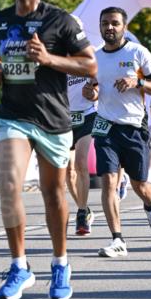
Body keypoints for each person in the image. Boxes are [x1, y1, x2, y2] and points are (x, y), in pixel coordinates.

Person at [0, 0, 97, 299]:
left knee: (53, 194)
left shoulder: (60, 21)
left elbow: (90, 64)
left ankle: (60, 263)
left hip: (52, 119)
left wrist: (49, 59)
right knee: (9, 185)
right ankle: (19, 266)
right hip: (13, 116)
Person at [81, 7, 151, 258]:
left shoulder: (137, 52)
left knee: (141, 186)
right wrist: (90, 93)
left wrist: (137, 82)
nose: (110, 27)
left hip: (134, 127)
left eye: (115, 23)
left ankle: (150, 204)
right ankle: (117, 239)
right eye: (105, 23)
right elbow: (93, 89)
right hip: (105, 126)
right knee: (108, 182)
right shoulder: (95, 58)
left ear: (124, 27)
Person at [66, 74, 98, 235]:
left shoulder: (86, 57)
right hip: (64, 119)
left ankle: (81, 214)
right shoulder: (58, 59)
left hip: (87, 116)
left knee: (80, 163)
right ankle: (84, 207)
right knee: (68, 171)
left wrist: (94, 93)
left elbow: (100, 85)